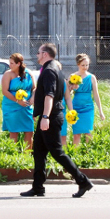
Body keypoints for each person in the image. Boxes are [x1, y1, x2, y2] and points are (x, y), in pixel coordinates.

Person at [20, 43, 93, 199]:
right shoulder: (55, 69)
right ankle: (38, 187)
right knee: (38, 152)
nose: (37, 55)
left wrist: (45, 117)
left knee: (57, 152)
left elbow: (50, 95)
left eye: (39, 52)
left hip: (51, 117)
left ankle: (83, 181)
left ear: (45, 54)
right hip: (48, 116)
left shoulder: (49, 71)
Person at [1, 52, 35, 150]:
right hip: (12, 106)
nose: (10, 65)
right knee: (13, 132)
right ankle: (13, 155)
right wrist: (17, 100)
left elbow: (34, 88)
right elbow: (4, 91)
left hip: (26, 106)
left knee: (29, 131)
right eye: (9, 63)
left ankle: (27, 156)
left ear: (18, 64)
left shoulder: (28, 73)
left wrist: (32, 98)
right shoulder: (8, 74)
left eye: (12, 63)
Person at [69, 53, 105, 145]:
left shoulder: (92, 77)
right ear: (78, 64)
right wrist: (72, 88)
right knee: (76, 134)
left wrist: (101, 111)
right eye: (83, 65)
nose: (85, 67)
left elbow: (96, 95)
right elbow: (68, 94)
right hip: (76, 107)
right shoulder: (72, 76)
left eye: (87, 65)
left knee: (88, 133)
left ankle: (88, 153)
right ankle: (75, 155)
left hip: (88, 107)